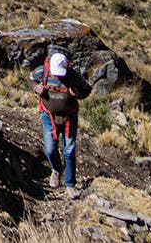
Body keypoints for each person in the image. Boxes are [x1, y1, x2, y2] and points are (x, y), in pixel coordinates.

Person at [33, 49, 92, 193]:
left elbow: (87, 89)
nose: (58, 77)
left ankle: (70, 184)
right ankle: (56, 169)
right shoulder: (43, 71)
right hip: (49, 117)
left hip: (69, 118)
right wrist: (36, 88)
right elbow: (31, 79)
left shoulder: (73, 75)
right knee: (49, 148)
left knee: (69, 150)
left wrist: (77, 93)